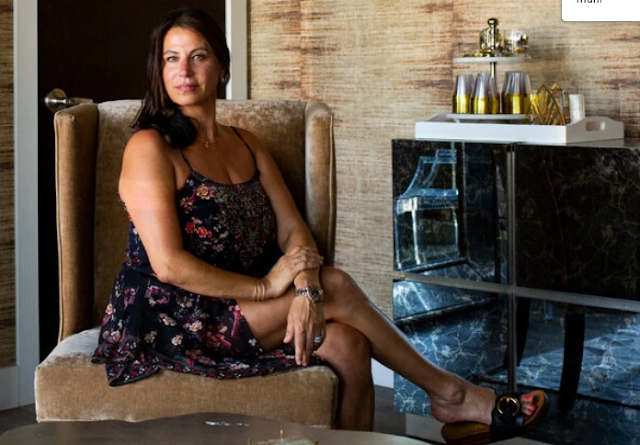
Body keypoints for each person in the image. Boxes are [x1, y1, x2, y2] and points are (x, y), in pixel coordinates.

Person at [92, 7, 548, 443]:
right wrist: (268, 288)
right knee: (339, 286)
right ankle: (451, 394)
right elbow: (169, 265)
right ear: (158, 70)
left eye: (198, 56)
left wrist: (306, 292)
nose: (184, 71)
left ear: (222, 66)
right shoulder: (150, 147)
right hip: (171, 316)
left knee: (349, 345)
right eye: (171, 59)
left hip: (241, 306)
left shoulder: (246, 144)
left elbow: (294, 232)